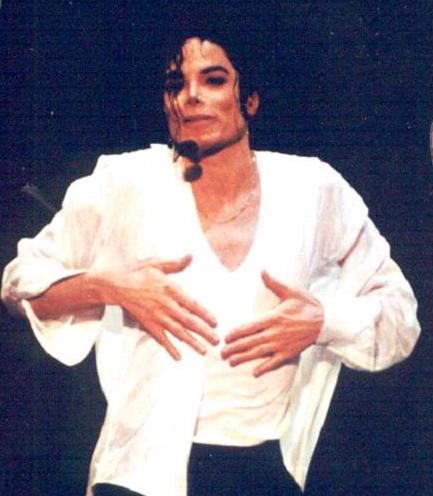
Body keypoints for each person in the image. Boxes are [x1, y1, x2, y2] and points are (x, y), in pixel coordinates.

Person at [1, 31, 420, 496]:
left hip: (257, 469)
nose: (190, 96)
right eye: (175, 84)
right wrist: (110, 287)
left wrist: (322, 321)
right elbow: (19, 283)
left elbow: (400, 314)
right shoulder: (124, 182)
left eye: (214, 80)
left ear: (251, 100)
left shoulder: (312, 189)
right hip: (138, 474)